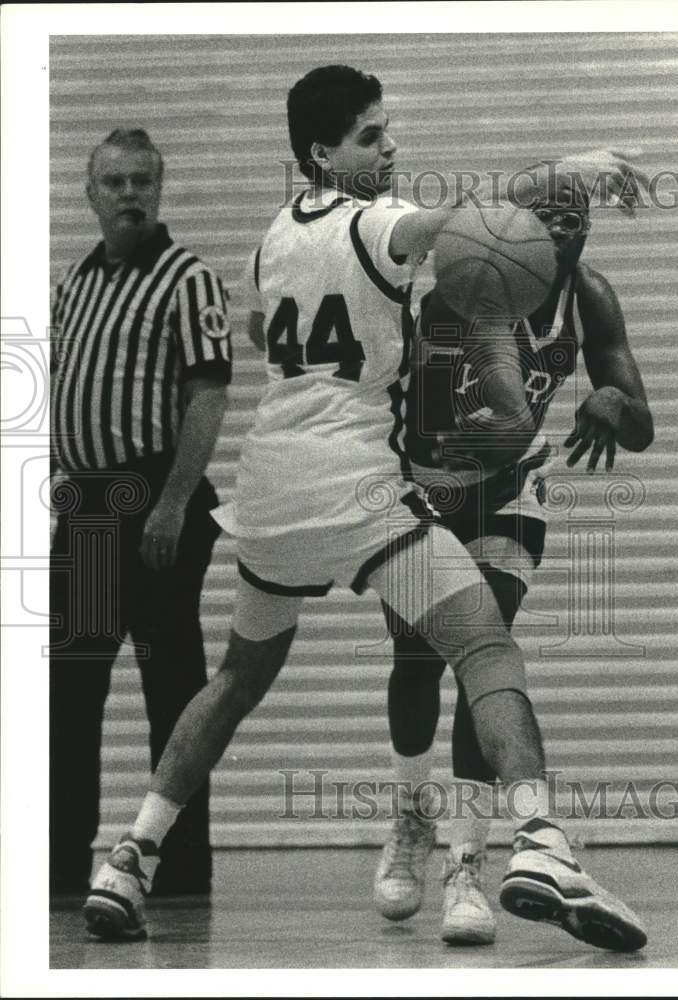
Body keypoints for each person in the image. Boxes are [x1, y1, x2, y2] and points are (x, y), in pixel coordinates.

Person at [82, 66, 649, 952]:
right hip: (354, 486)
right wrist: (565, 167)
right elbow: (475, 214)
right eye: (371, 137)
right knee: (484, 647)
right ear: (322, 153)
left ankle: (128, 859)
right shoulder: (376, 223)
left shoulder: (270, 240)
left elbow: (264, 331)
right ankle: (541, 843)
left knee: (236, 679)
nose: (390, 149)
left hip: (271, 489)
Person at [373, 166, 655, 945]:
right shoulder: (465, 283)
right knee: (413, 661)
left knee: (483, 655)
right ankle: (410, 815)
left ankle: (466, 864)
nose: (562, 228)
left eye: (575, 216)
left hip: (508, 494)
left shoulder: (588, 296)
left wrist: (611, 400)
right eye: (546, 215)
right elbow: (425, 418)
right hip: (427, 484)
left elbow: (641, 428)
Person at [50, 128, 232, 896]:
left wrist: (173, 503)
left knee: (171, 685)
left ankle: (180, 867)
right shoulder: (74, 282)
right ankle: (60, 861)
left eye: (141, 182)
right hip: (88, 510)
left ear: (158, 189)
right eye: (115, 182)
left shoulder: (188, 279)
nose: (129, 194)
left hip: (156, 501)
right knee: (71, 688)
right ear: (90, 193)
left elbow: (208, 395)